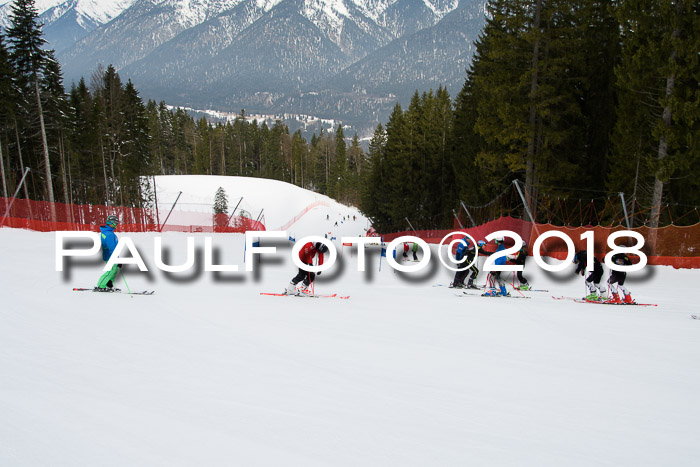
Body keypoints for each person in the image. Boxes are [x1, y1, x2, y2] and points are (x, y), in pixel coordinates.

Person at [95, 215, 122, 291]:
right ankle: (101, 285)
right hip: (110, 255)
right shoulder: (109, 234)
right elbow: (111, 248)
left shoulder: (108, 232)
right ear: (111, 222)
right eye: (115, 223)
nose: (116, 224)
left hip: (110, 255)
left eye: (117, 223)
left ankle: (108, 283)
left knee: (114, 269)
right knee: (111, 270)